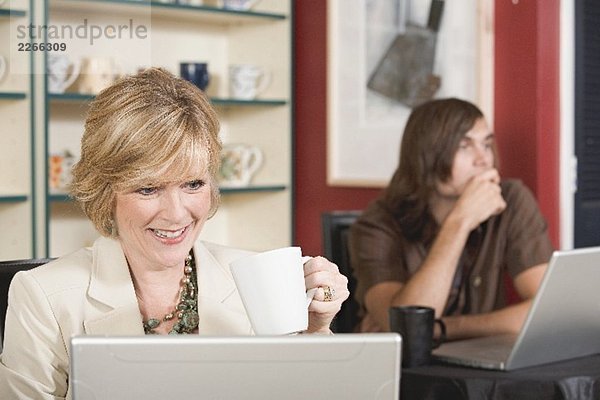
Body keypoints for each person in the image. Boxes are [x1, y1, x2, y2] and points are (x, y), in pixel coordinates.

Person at [0, 68, 349, 399]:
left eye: (193, 184)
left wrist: (314, 331)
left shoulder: (255, 279)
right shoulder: (43, 296)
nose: (177, 213)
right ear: (106, 192)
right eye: (149, 188)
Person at [349, 97, 553, 341]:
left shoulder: (511, 199)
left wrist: (442, 328)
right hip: (406, 373)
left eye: (486, 145)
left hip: (481, 366)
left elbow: (547, 310)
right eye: (464, 146)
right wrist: (460, 221)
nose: (483, 159)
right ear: (427, 156)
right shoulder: (378, 224)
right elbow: (408, 330)